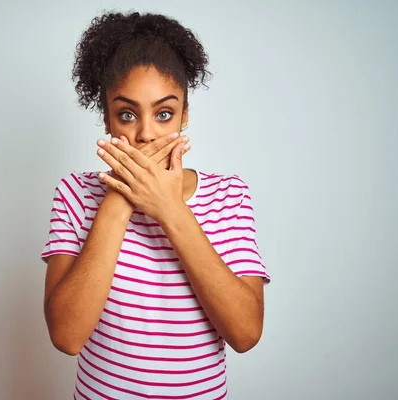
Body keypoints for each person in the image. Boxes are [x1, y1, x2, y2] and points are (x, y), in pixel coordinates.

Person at [41, 11, 270, 399]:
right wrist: (119, 198)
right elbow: (66, 336)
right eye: (127, 114)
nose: (146, 133)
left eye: (164, 114)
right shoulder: (75, 195)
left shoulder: (228, 196)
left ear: (184, 115)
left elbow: (246, 333)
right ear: (107, 118)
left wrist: (170, 209)